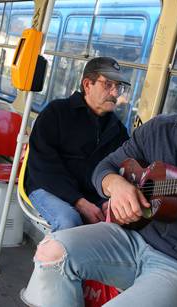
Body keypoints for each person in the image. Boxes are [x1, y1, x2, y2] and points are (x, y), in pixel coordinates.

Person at [23, 17, 177, 307]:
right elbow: (102, 169)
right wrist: (115, 185)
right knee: (51, 252)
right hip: (129, 240)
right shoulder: (159, 128)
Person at [26, 57, 130, 231]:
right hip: (48, 187)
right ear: (88, 84)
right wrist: (78, 201)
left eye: (118, 86)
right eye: (108, 84)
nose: (115, 93)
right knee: (69, 221)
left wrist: (107, 202)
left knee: (120, 228)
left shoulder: (118, 130)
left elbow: (118, 171)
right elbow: (43, 166)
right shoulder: (56, 112)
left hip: (92, 197)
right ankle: (51, 258)